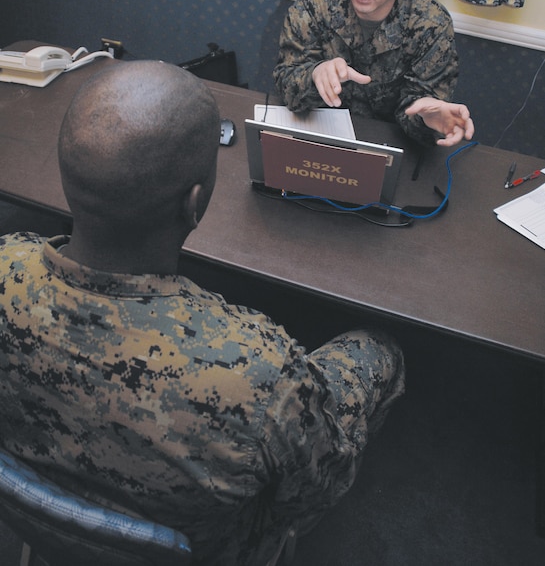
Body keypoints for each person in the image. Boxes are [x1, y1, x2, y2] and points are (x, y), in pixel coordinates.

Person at [0, 61, 404, 566]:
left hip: (34, 511)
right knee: (378, 349)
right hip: (213, 548)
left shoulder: (5, 264)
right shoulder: (260, 373)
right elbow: (314, 490)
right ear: (196, 203)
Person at [273, 0, 474, 147]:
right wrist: (314, 75)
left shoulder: (431, 24)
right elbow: (286, 85)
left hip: (390, 146)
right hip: (320, 138)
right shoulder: (315, 3)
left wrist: (425, 119)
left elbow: (419, 108)